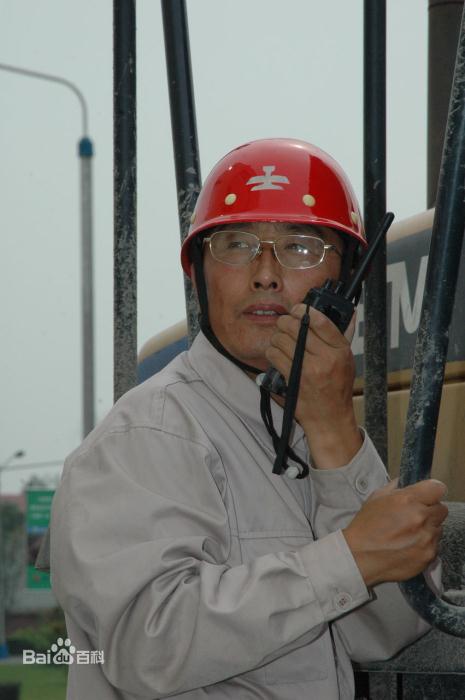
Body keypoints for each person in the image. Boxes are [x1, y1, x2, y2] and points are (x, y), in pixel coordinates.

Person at [49, 138, 447, 699]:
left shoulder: (318, 431)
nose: (265, 274)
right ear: (198, 275)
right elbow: (146, 646)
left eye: (301, 247)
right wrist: (348, 559)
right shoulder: (149, 434)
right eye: (236, 245)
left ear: (349, 286)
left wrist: (335, 432)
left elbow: (386, 633)